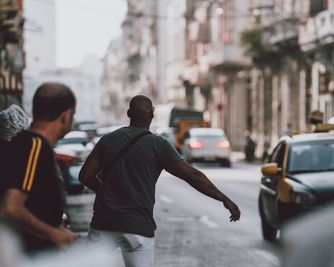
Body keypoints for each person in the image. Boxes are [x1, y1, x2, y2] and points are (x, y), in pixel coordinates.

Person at [79, 95, 241, 267]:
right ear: (152, 115)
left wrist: (106, 192)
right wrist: (224, 199)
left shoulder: (108, 140)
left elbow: (85, 176)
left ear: (128, 113)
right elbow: (193, 177)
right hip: (138, 228)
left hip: (105, 223)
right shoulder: (158, 145)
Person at [0, 82, 77, 254]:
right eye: (73, 115)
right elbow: (10, 208)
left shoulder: (28, 144)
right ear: (66, 115)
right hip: (33, 254)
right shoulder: (35, 146)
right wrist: (53, 234)